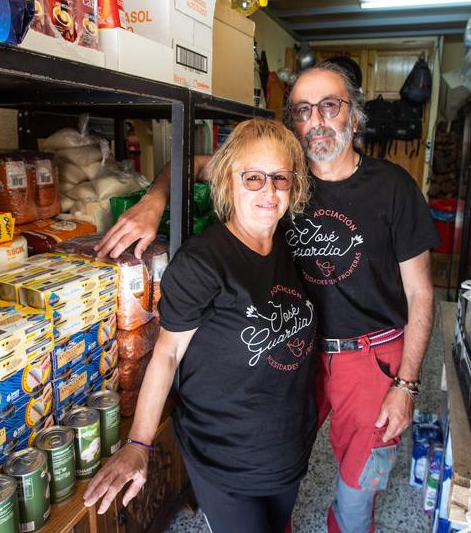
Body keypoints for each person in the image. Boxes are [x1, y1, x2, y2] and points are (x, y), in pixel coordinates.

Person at [97, 61, 439, 533]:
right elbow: (183, 167)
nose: (316, 120)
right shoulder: (275, 170)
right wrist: (153, 203)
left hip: (368, 357)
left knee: (360, 485)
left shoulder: (391, 187)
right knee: (283, 456)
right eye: (303, 110)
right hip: (299, 353)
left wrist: (406, 384)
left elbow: (422, 293)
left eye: (330, 106)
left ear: (354, 117)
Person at [83, 118, 319, 533]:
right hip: (225, 455)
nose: (269, 190)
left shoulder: (286, 244)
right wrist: (138, 443)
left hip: (287, 447)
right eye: (253, 177)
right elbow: (167, 354)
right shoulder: (202, 262)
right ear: (229, 183)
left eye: (280, 177)